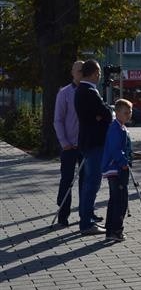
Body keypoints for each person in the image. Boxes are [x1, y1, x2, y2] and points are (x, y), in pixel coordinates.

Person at [74, 59, 113, 235]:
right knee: (92, 182)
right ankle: (86, 223)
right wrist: (104, 115)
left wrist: (102, 115)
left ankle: (87, 216)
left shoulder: (82, 90)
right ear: (92, 73)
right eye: (98, 72)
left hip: (87, 141)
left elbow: (102, 114)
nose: (100, 75)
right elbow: (106, 114)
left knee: (89, 182)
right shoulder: (89, 91)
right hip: (94, 142)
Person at [53, 60, 85, 227]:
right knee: (67, 179)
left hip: (86, 145)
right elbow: (58, 120)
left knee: (86, 180)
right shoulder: (64, 93)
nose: (81, 73)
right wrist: (64, 142)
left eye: (83, 70)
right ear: (72, 72)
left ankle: (86, 214)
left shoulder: (89, 91)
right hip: (69, 145)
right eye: (78, 70)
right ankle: (63, 215)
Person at [101, 98, 133, 243]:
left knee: (115, 199)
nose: (129, 115)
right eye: (126, 112)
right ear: (117, 113)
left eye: (130, 112)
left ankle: (110, 229)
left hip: (116, 167)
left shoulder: (121, 127)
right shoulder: (115, 128)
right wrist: (123, 162)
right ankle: (116, 230)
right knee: (120, 200)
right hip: (116, 168)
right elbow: (115, 149)